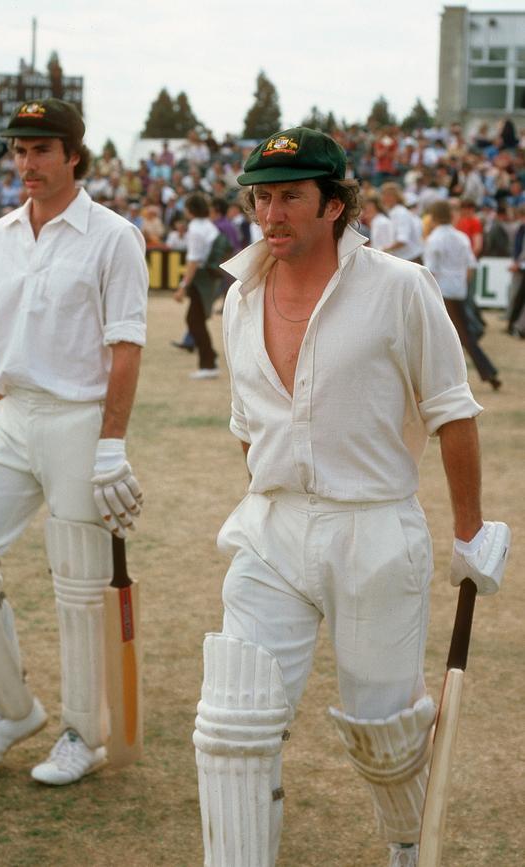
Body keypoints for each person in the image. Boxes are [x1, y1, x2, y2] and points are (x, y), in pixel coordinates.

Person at [192, 127, 510, 867]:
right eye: (262, 197)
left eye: (291, 196)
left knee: (386, 733)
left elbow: (451, 410)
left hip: (373, 529)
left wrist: (469, 532)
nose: (272, 213)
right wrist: (281, 484)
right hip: (269, 529)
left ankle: (407, 846)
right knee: (231, 725)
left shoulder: (400, 287)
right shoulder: (239, 297)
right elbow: (248, 423)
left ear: (334, 203)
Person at [0, 98, 149, 786]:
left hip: (79, 418)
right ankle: (12, 709)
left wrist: (110, 444)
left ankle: (82, 731)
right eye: (19, 150)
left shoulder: (113, 235)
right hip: (14, 418)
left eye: (42, 150)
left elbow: (125, 346)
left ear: (75, 154)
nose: (27, 163)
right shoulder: (1, 234)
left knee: (77, 582)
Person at [424, 200, 501, 391]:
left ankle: (489, 372)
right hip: (458, 289)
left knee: (461, 335)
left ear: (433, 217)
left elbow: (430, 271)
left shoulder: (434, 239)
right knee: (456, 333)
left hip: (442, 290)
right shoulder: (461, 237)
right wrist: (462, 285)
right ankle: (485, 373)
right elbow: (470, 266)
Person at [173, 192, 222, 378]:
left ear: (190, 210)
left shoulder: (195, 228)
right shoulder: (208, 225)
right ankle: (210, 357)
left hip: (200, 279)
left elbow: (193, 261)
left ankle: (208, 365)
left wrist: (182, 287)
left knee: (194, 321)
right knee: (197, 319)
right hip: (210, 277)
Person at [379, 182, 423, 262]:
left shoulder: (400, 213)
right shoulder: (394, 212)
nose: (385, 198)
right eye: (384, 195)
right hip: (404, 259)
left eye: (389, 195)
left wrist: (382, 250)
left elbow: (402, 240)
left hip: (411, 260)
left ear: (396, 197)